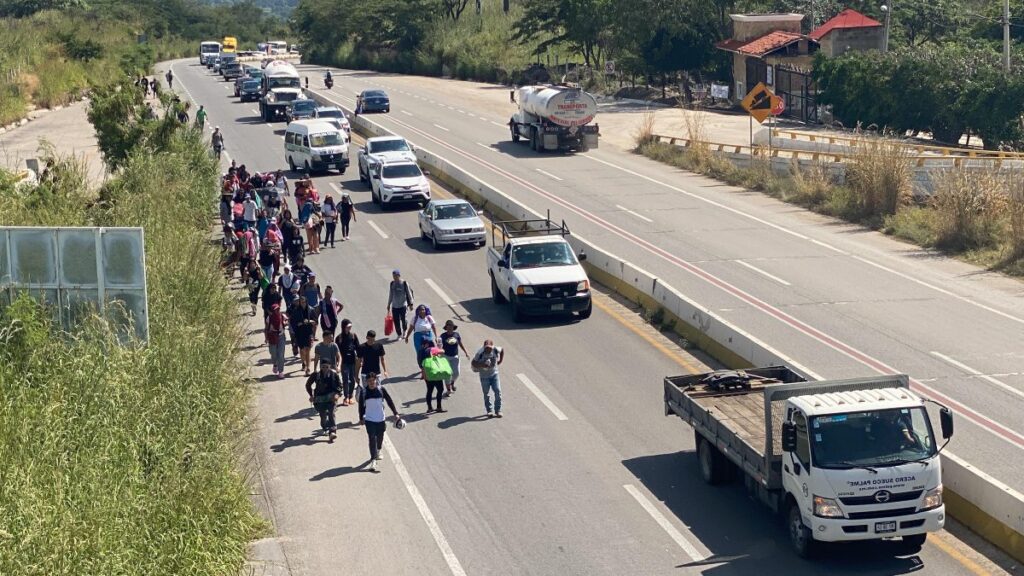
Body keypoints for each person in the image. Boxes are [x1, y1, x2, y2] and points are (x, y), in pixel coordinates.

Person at [358, 372, 401, 472]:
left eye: (373, 381)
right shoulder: (364, 392)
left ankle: (378, 450)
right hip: (369, 420)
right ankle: (373, 459)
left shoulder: (381, 390)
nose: (371, 383)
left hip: (380, 419)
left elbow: (389, 401)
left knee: (380, 437)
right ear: (367, 382)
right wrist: (361, 418)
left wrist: (395, 413)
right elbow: (361, 406)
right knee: (372, 438)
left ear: (376, 380)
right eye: (369, 381)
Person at [305, 361, 342, 442]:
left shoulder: (334, 374)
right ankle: (325, 427)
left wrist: (337, 395)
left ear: (330, 367)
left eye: (327, 367)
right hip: (320, 399)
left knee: (331, 413)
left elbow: (340, 386)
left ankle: (332, 432)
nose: (325, 369)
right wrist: (311, 395)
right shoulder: (316, 375)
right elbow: (308, 385)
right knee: (323, 416)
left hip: (331, 398)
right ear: (320, 367)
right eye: (323, 367)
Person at [472, 339, 505, 418]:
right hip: (484, 377)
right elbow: (473, 363)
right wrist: (482, 365)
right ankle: (489, 410)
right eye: (486, 348)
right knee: (486, 393)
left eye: (490, 348)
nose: (488, 349)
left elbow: (502, 349)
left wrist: (500, 360)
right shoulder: (480, 352)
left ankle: (498, 410)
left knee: (497, 391)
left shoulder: (495, 349)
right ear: (483, 347)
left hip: (494, 375)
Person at [289, 295, 318, 375]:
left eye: (304, 302)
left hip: (308, 332)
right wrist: (298, 324)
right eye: (301, 302)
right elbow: (292, 321)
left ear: (306, 301)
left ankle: (308, 368)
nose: (303, 303)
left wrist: (311, 321)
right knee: (302, 350)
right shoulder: (296, 310)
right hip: (299, 332)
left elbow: (316, 320)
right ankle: (303, 362)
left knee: (308, 349)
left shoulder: (311, 310)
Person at [440, 320, 469, 396]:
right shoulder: (443, 336)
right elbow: (439, 346)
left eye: (451, 327)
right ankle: (448, 390)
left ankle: (452, 383)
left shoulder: (456, 335)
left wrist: (465, 352)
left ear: (453, 327)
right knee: (447, 374)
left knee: (456, 373)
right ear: (446, 328)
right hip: (445, 357)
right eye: (448, 327)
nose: (449, 328)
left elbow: (460, 343)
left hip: (455, 357)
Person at [418, 338, 447, 414]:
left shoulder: (420, 351)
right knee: (440, 389)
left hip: (426, 373)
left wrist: (423, 374)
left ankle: (429, 408)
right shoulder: (431, 349)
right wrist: (439, 347)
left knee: (430, 390)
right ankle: (439, 407)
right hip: (435, 372)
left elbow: (421, 364)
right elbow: (443, 351)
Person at [335, 319, 360, 405]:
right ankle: (346, 397)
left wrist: (361, 358)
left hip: (352, 361)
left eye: (350, 327)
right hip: (343, 362)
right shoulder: (339, 338)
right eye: (348, 327)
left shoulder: (353, 336)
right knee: (345, 379)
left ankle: (351, 396)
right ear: (343, 327)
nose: (349, 328)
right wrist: (337, 363)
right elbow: (336, 352)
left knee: (352, 380)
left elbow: (358, 348)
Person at [385, 270, 414, 338]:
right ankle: (399, 334)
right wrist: (389, 304)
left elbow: (409, 293)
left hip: (403, 305)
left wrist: (411, 304)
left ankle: (405, 331)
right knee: (396, 321)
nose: (394, 277)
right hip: (394, 306)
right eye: (393, 276)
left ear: (399, 275)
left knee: (404, 320)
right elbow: (391, 294)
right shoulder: (392, 283)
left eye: (395, 276)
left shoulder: (404, 283)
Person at [265, 303, 287, 377]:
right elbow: (266, 329)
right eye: (275, 310)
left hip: (281, 336)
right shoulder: (269, 318)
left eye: (278, 309)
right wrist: (266, 338)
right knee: (273, 353)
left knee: (281, 354)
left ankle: (281, 372)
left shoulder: (282, 316)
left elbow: (287, 320)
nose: (277, 311)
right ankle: (275, 364)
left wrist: (285, 323)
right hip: (272, 337)